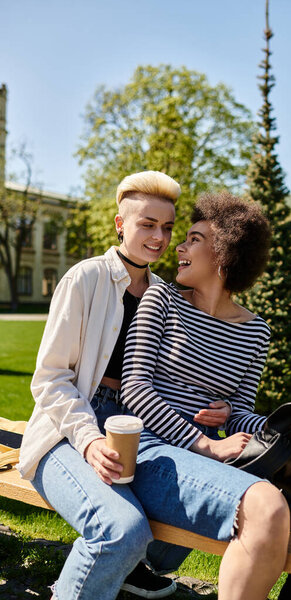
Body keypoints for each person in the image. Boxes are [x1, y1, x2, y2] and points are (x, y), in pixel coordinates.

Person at [114, 191, 291, 600]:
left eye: (194, 239)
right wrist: (206, 444)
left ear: (225, 254)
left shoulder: (255, 331)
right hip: (154, 451)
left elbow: (242, 412)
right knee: (266, 507)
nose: (179, 245)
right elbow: (135, 391)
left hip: (216, 453)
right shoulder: (161, 300)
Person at [17, 171, 231, 600]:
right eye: (147, 224)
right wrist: (90, 440)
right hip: (67, 426)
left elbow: (181, 375)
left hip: (138, 424)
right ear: (120, 224)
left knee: (200, 505)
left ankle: (131, 570)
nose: (159, 237)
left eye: (168, 227)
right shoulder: (85, 279)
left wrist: (220, 409)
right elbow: (50, 378)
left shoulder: (167, 295)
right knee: (121, 528)